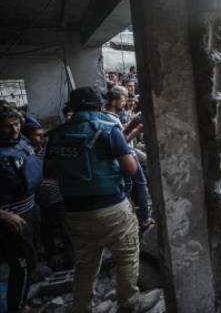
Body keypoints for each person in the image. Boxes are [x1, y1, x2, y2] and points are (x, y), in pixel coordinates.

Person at [44, 87, 159, 313]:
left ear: (73, 107)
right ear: (99, 105)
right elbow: (130, 168)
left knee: (85, 262)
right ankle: (130, 302)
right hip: (110, 207)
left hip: (74, 211)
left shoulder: (58, 134)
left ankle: (82, 306)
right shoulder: (107, 128)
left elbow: (49, 172)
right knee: (126, 255)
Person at [0, 106, 43, 313]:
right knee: (22, 265)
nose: (14, 130)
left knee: (31, 260)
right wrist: (3, 215)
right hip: (9, 220)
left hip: (30, 211)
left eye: (16, 124)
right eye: (7, 127)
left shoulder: (22, 143)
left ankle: (21, 300)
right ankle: (16, 308)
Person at [22, 123, 75, 269]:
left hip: (57, 195)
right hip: (39, 200)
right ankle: (51, 259)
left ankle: (72, 259)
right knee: (47, 230)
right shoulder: (26, 153)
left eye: (43, 134)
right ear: (27, 138)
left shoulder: (49, 149)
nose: (42, 138)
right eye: (37, 135)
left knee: (65, 229)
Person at [104, 86, 152, 229]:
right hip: (127, 154)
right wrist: (136, 129)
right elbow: (122, 141)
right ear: (113, 102)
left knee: (130, 186)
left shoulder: (108, 117)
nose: (125, 103)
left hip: (128, 152)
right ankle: (144, 218)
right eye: (123, 100)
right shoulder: (111, 119)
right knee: (140, 184)